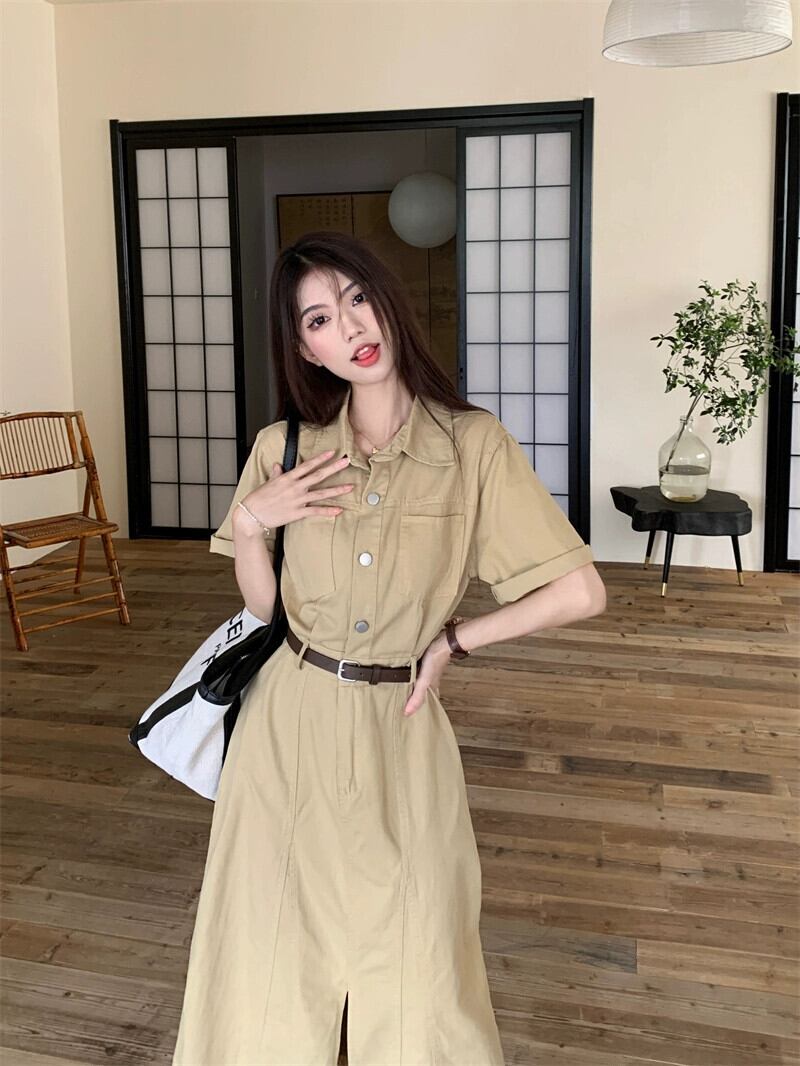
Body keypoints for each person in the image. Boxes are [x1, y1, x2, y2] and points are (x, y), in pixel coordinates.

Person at [171, 230, 606, 1066]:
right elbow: (267, 609)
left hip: (401, 725)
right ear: (306, 348)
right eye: (319, 320)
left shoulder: (472, 446)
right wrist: (254, 523)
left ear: (388, 300)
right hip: (287, 722)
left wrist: (456, 639)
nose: (350, 327)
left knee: (420, 959)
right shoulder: (284, 448)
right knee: (267, 952)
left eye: (358, 298)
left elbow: (579, 591)